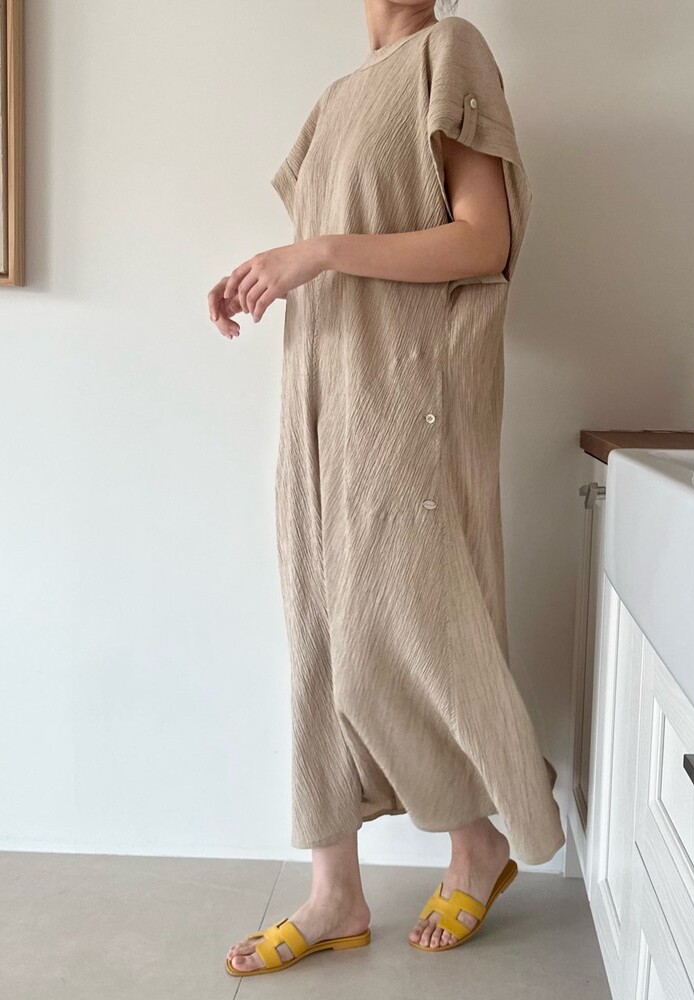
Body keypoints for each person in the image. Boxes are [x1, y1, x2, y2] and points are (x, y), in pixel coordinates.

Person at [207, 0, 565, 978]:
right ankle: (335, 892)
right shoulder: (333, 103)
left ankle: (478, 842)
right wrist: (266, 271)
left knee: (410, 623)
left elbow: (482, 241)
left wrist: (316, 251)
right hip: (322, 391)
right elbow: (333, 241)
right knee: (320, 631)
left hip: (409, 394)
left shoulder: (449, 51)